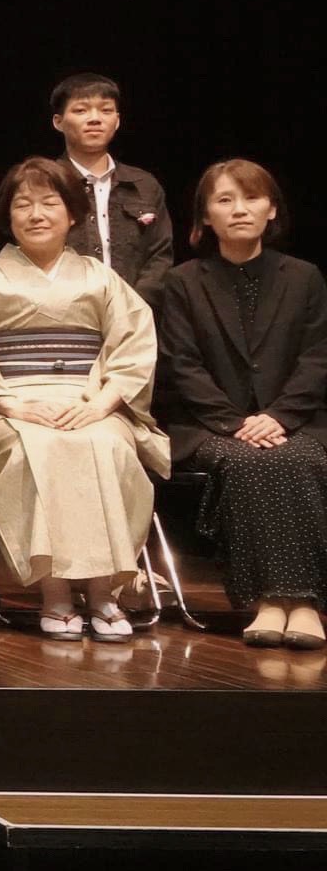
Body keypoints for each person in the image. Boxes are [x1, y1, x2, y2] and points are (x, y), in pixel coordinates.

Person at [0, 157, 170, 641]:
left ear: (72, 214)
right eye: (22, 204)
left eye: (49, 203)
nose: (36, 214)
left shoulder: (100, 277)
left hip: (90, 400)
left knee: (107, 445)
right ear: (8, 216)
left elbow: (133, 347)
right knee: (40, 447)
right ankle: (55, 593)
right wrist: (11, 405)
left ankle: (104, 591)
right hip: (10, 404)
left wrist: (101, 405)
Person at [158, 160, 327, 649]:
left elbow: (317, 357)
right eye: (225, 200)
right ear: (205, 216)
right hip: (210, 424)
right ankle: (269, 602)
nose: (239, 210)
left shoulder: (304, 277)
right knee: (248, 461)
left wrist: (278, 417)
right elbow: (182, 364)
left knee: (301, 458)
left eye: (251, 198)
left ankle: (305, 604)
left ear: (271, 209)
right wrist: (235, 422)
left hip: (293, 421)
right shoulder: (183, 281)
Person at [52, 72, 173, 305]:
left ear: (117, 121)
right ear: (58, 122)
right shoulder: (46, 183)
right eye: (81, 110)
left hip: (137, 312)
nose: (95, 119)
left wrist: (131, 305)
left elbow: (160, 255)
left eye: (106, 110)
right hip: (65, 313)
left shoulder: (143, 184)